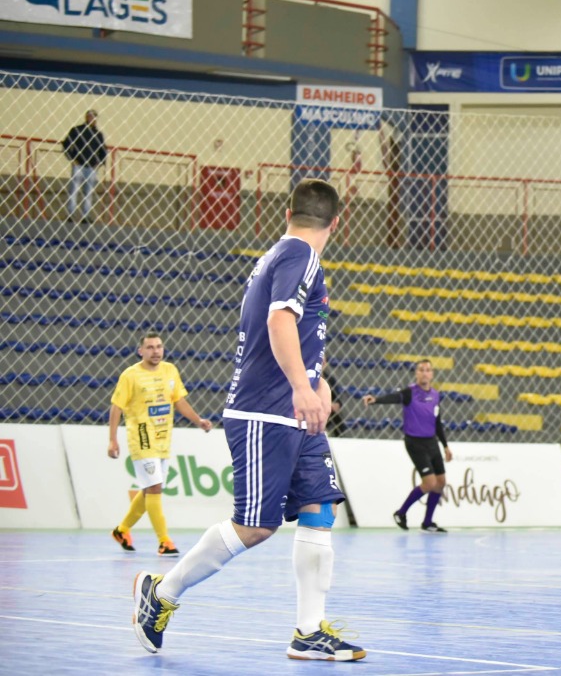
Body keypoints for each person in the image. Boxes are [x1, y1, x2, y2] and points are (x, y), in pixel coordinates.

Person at [132, 178, 364, 661]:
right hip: (266, 411)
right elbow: (279, 322)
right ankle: (162, 592)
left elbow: (296, 332)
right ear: (337, 222)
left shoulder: (282, 255)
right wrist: (303, 387)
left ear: (288, 212)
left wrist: (316, 383)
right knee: (256, 527)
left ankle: (307, 632)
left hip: (295, 413)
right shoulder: (301, 255)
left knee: (321, 507)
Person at [108, 333, 213, 556]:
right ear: (141, 351)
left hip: (163, 438)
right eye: (150, 347)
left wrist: (199, 421)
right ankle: (164, 541)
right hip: (142, 436)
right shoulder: (131, 375)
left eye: (159, 347)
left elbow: (179, 401)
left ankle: (122, 530)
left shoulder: (170, 370)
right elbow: (116, 407)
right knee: (154, 487)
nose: (156, 351)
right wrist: (112, 439)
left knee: (150, 489)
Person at [362, 359, 453, 532]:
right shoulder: (410, 392)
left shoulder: (435, 395)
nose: (425, 372)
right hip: (415, 443)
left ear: (432, 374)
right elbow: (394, 398)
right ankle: (401, 513)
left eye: (428, 370)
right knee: (430, 482)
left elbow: (437, 422)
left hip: (432, 442)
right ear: (416, 373)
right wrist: (376, 400)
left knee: (441, 482)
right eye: (421, 369)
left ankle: (427, 523)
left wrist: (446, 446)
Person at [61, 109, 107, 222]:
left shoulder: (98, 134)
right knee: (74, 190)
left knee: (88, 192)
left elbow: (103, 150)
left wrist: (99, 163)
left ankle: (86, 216)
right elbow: (66, 144)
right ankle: (70, 214)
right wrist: (72, 159)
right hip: (78, 165)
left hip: (91, 167)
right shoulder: (77, 130)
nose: (92, 119)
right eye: (90, 116)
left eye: (94, 117)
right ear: (86, 117)